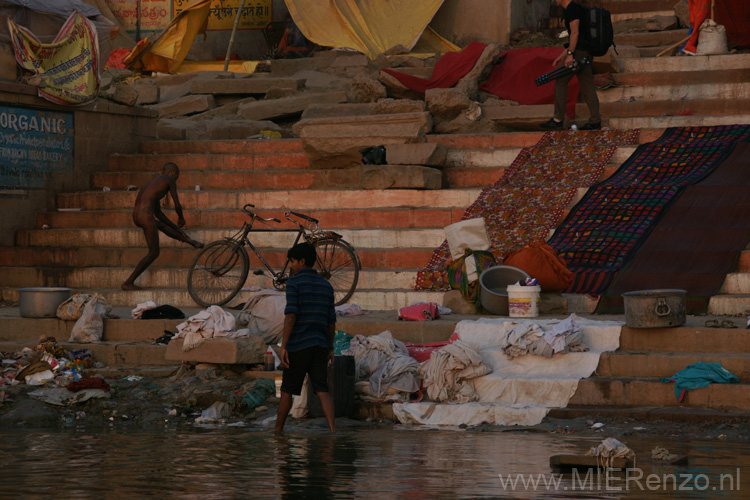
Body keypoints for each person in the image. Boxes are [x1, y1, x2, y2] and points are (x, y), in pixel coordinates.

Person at [275, 242, 337, 434]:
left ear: (302, 261)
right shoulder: (327, 286)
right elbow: (331, 321)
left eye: (292, 261)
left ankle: (278, 432)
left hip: (299, 345)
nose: (290, 265)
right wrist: (330, 347)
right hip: (319, 345)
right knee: (322, 389)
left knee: (287, 391)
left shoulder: (294, 284)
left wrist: (284, 346)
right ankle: (333, 431)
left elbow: (291, 316)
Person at [122, 162, 202, 291]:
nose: (176, 179)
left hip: (138, 216)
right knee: (154, 252)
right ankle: (128, 282)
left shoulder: (152, 185)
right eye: (177, 176)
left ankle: (190, 241)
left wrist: (177, 228)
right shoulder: (169, 180)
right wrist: (181, 218)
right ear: (174, 173)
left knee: (161, 226)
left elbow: (159, 215)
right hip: (146, 217)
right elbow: (177, 205)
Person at [540, 0, 601, 131]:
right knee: (587, 87)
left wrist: (570, 54)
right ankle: (595, 121)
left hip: (578, 54)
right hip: (584, 53)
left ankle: (558, 119)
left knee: (561, 81)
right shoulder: (575, 8)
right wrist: (562, 56)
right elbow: (575, 37)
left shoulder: (572, 9)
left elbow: (575, 33)